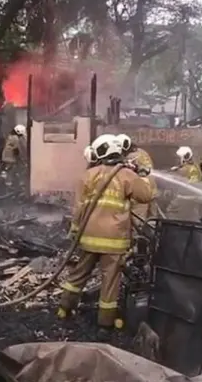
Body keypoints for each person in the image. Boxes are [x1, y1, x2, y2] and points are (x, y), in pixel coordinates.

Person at [58, 133, 153, 338]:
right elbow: (145, 196)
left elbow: (78, 209)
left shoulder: (88, 175)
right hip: (114, 241)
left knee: (78, 274)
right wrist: (143, 176)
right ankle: (105, 325)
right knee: (110, 282)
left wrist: (75, 230)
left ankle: (64, 308)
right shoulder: (128, 175)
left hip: (88, 237)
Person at [116, 133, 158, 223]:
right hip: (153, 190)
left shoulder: (130, 157)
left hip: (141, 193)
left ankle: (138, 237)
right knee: (152, 222)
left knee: (137, 222)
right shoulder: (142, 152)